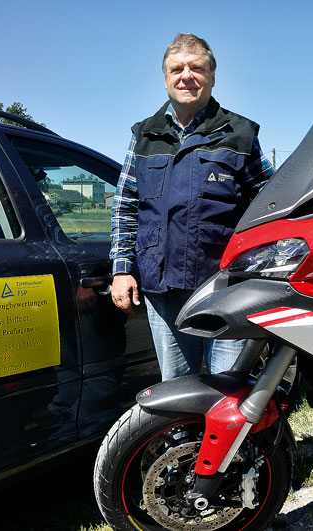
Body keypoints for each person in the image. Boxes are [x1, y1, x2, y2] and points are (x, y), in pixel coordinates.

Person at [110, 33, 274, 381]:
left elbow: (270, 206)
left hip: (226, 288)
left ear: (212, 77)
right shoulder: (144, 136)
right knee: (177, 388)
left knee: (228, 390)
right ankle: (181, 438)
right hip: (164, 290)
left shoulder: (240, 134)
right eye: (177, 69)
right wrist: (122, 268)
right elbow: (125, 208)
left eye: (197, 68)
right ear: (166, 78)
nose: (187, 76)